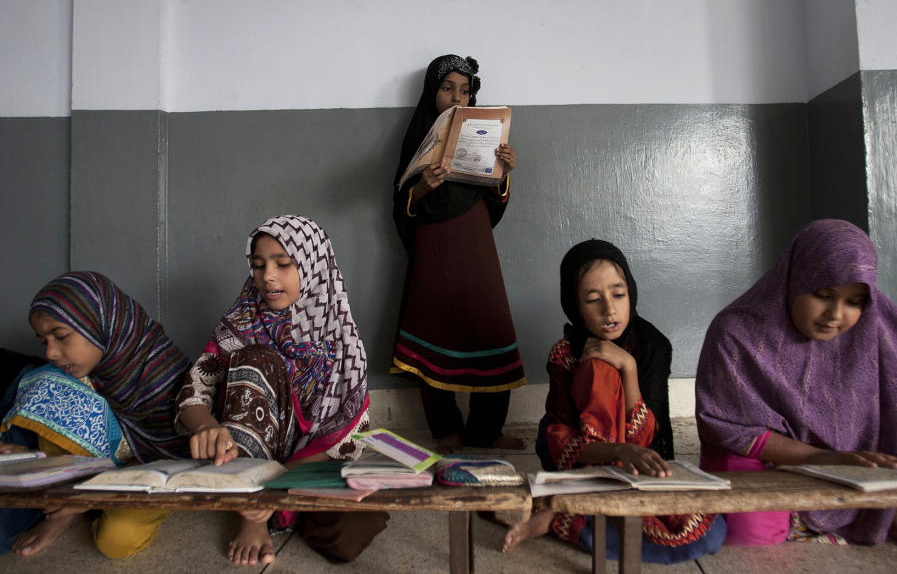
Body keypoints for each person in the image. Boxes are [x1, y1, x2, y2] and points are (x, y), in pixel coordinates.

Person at [696, 219, 897, 550]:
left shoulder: (870, 329)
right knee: (751, 534)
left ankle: (875, 512)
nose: (835, 314)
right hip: (759, 455)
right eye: (822, 294)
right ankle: (870, 513)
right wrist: (823, 459)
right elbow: (732, 429)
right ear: (793, 280)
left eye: (855, 301)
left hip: (846, 462)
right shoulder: (737, 333)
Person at [176, 214, 387, 566]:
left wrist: (281, 484)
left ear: (313, 265)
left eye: (283, 264)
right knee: (256, 358)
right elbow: (195, 389)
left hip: (311, 461)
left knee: (345, 540)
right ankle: (250, 512)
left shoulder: (342, 339)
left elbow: (349, 437)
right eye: (258, 266)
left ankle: (277, 503)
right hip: (251, 455)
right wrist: (205, 427)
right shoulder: (243, 319)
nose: (267, 276)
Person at [503, 240, 725, 563]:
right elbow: (558, 440)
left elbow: (650, 441)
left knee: (710, 534)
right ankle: (574, 521)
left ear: (630, 294)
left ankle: (560, 518)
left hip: (636, 462)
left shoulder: (652, 347)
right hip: (580, 463)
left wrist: (628, 368)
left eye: (618, 295)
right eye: (593, 300)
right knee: (597, 370)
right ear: (575, 306)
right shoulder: (566, 355)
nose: (609, 310)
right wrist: (617, 450)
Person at [0, 271, 191, 558]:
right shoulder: (66, 377)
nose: (51, 351)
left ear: (101, 324)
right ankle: (64, 511)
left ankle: (74, 505)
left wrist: (90, 497)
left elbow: (176, 464)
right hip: (86, 470)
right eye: (43, 341)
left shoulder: (166, 375)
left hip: (146, 475)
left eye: (61, 336)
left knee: (117, 540)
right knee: (48, 385)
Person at [391, 54, 525, 452]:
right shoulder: (418, 137)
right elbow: (402, 207)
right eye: (447, 88)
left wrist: (504, 173)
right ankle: (445, 429)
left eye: (465, 91)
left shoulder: (482, 132)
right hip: (435, 249)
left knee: (491, 328)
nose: (456, 97)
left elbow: (494, 202)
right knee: (435, 328)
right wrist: (424, 188)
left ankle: (487, 430)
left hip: (477, 246)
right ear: (432, 92)